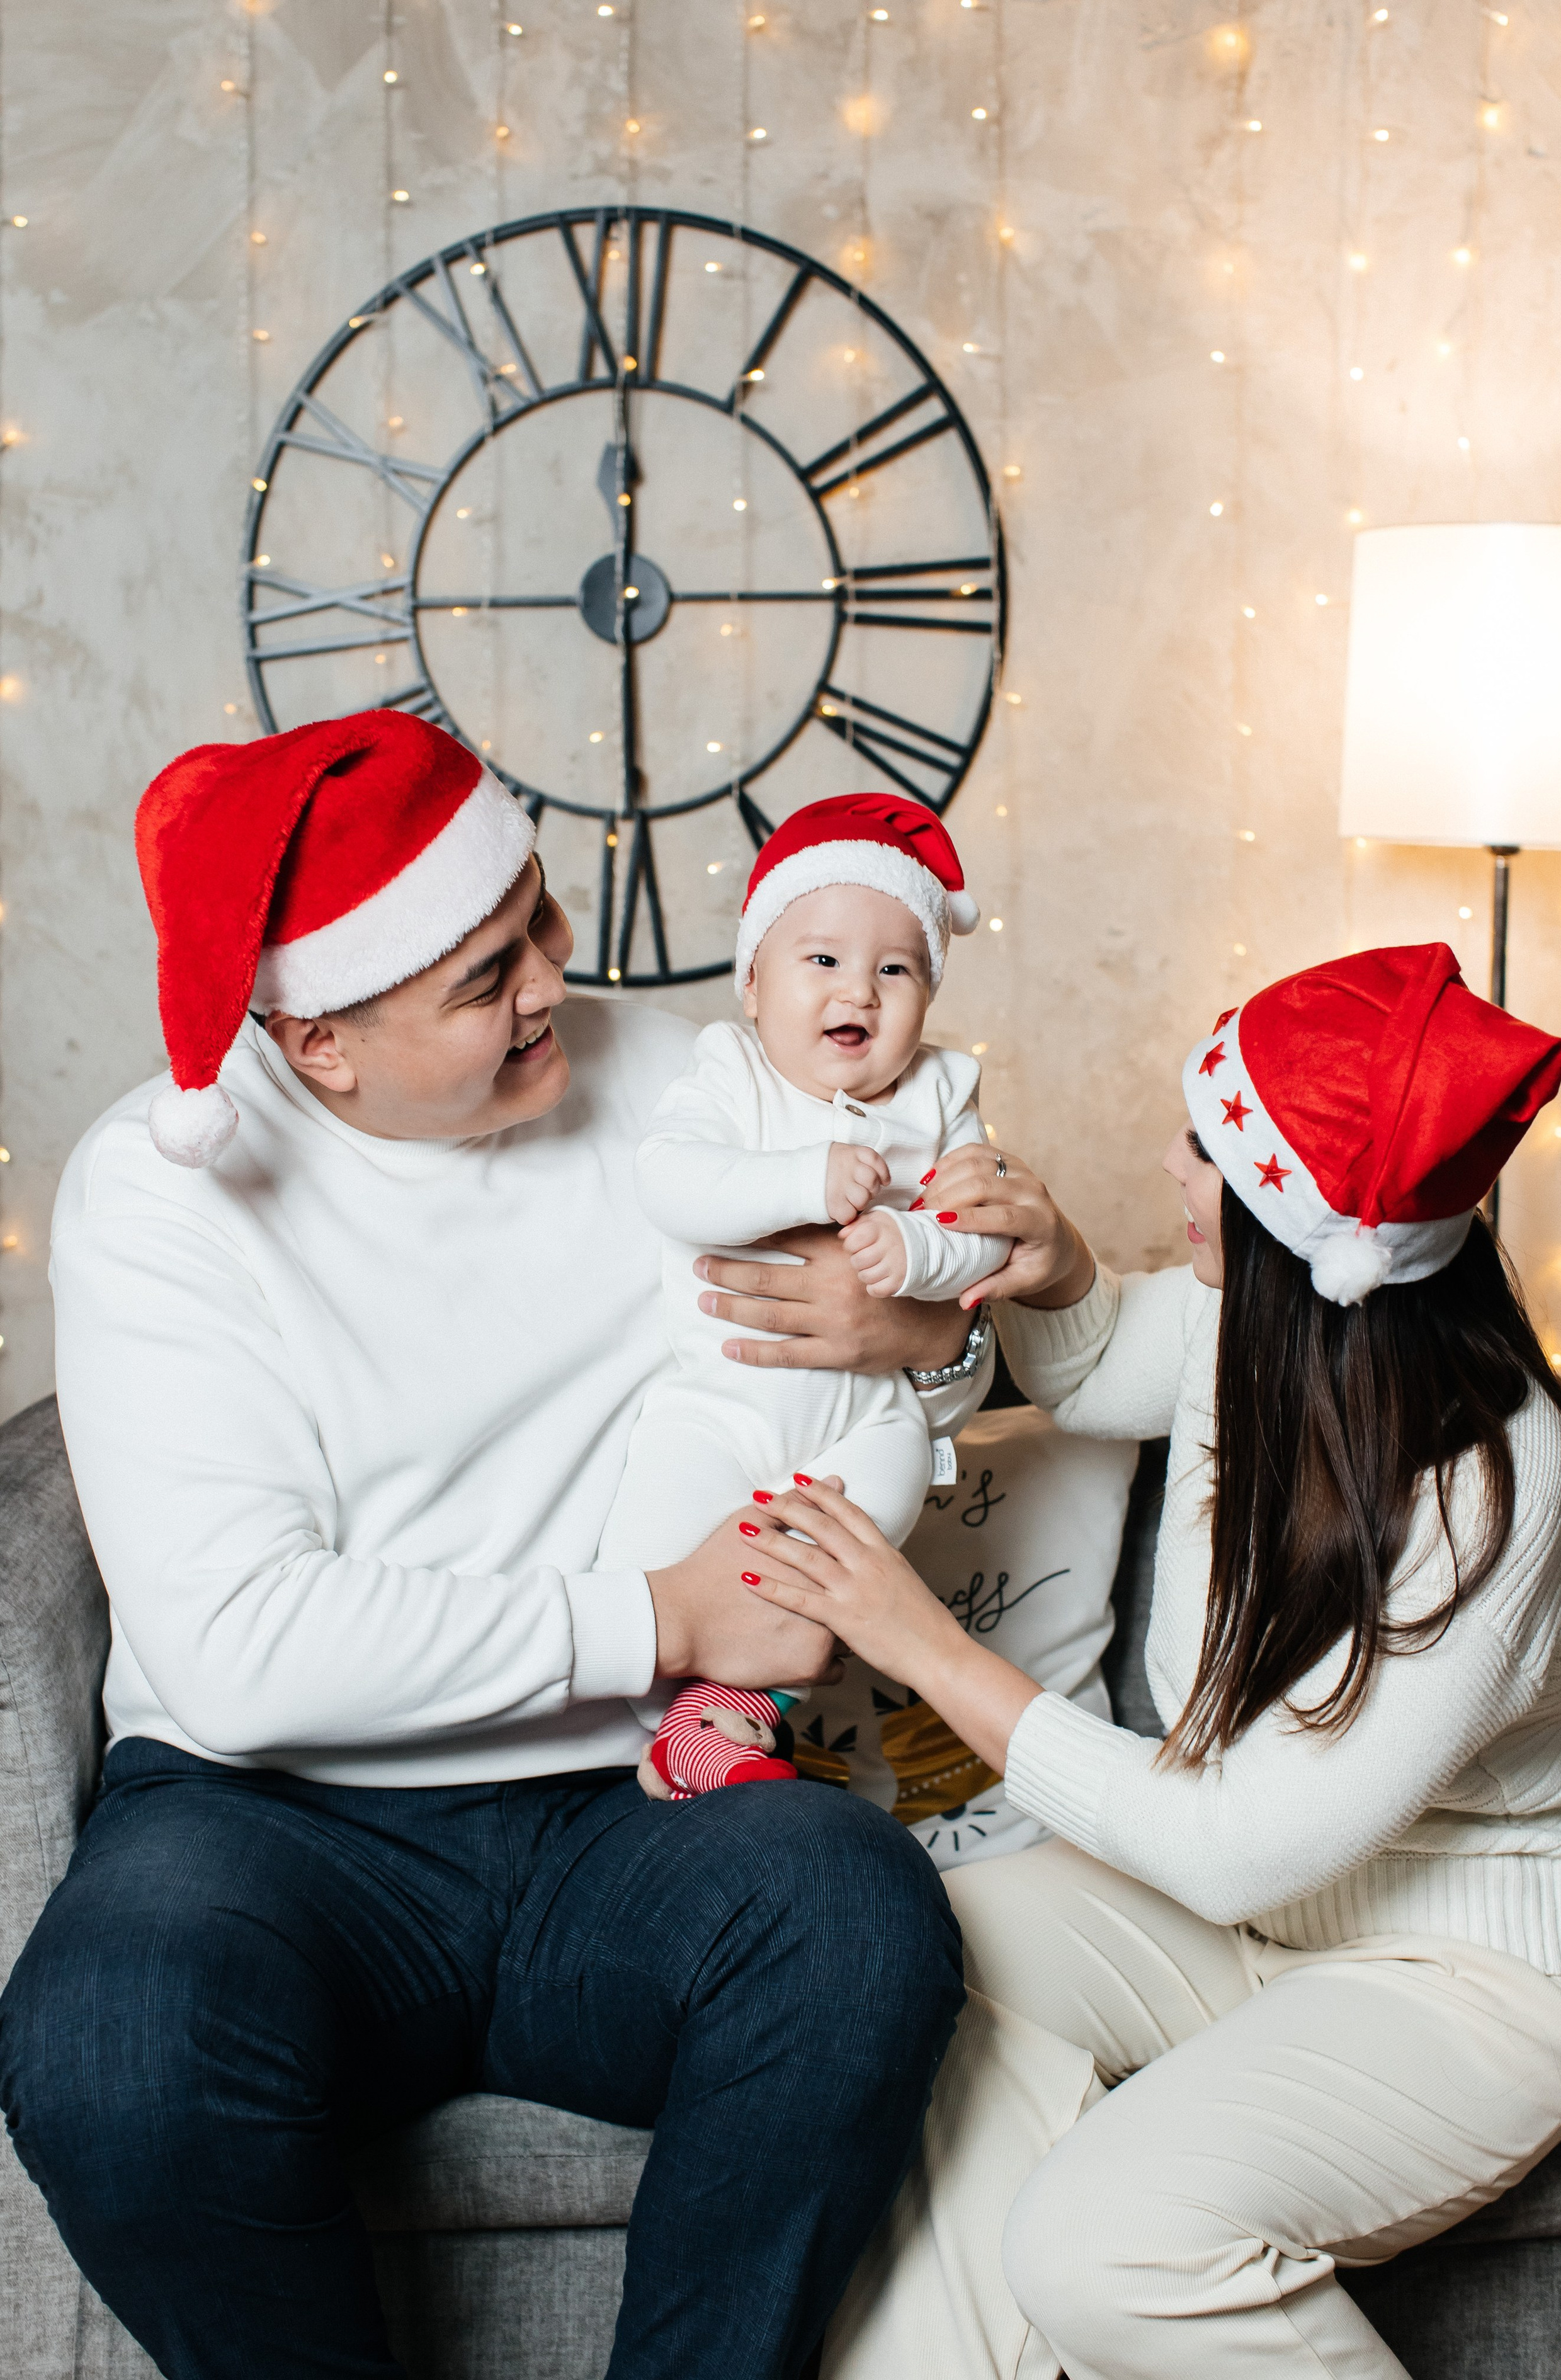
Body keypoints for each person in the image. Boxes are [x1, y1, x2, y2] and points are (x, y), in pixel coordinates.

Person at [0, 710, 984, 2380]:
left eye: (536, 910)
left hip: (619, 1811)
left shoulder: (685, 1093)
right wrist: (666, 1616)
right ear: (319, 1040)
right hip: (272, 1832)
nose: (555, 977)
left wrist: (932, 1336)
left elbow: (945, 1295)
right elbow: (243, 1654)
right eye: (483, 973)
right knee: (108, 2046)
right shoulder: (159, 1198)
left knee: (857, 1923)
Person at [738, 942, 1561, 2380]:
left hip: (1470, 1978)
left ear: (1295, 1223)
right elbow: (1087, 1368)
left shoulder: (1486, 1480)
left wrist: (923, 1644)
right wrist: (1057, 1259)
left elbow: (1230, 1848)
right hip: (1270, 1938)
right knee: (908, 1944)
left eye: (1205, 1152)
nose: (1166, 1162)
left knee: (1099, 2246)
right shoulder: (1256, 1324)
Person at [599, 792, 1008, 1799]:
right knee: (649, 1556)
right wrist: (801, 1183)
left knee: (873, 1516)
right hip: (722, 1408)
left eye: (894, 968)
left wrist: (916, 1250)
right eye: (820, 960)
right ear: (751, 982)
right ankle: (660, 1732)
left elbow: (986, 1234)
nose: (857, 991)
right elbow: (671, 1180)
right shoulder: (729, 1072)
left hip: (864, 1422)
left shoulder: (942, 1095)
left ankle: (725, 1723)